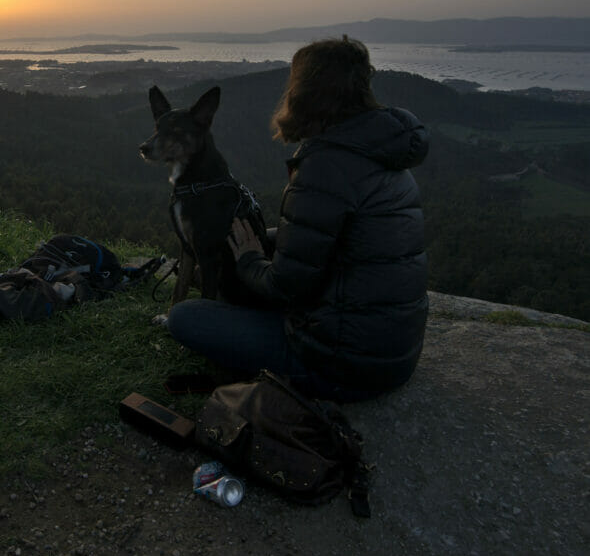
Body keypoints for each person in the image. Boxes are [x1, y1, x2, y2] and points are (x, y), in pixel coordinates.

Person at [166, 35, 429, 402]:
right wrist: (264, 240)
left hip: (339, 364)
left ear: (305, 92)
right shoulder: (382, 151)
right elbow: (325, 245)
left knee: (186, 319)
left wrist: (247, 257)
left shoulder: (325, 168)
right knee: (256, 256)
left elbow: (284, 286)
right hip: (391, 353)